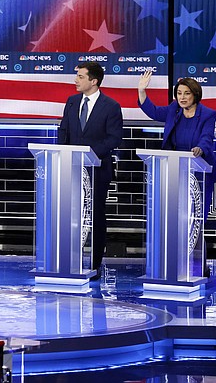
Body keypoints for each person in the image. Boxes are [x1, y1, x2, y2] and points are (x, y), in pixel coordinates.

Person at [58, 62, 124, 279]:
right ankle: (69, 260)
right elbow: (64, 131)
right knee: (70, 215)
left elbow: (114, 138)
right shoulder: (72, 101)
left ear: (93, 81)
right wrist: (62, 155)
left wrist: (89, 154)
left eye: (80, 76)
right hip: (71, 169)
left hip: (98, 170)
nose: (75, 80)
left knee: (95, 216)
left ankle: (95, 264)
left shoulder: (111, 106)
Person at [137, 70, 216, 209]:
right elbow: (153, 112)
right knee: (174, 208)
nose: (182, 97)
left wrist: (200, 149)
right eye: (179, 93)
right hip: (175, 167)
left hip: (200, 166)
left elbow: (207, 137)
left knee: (197, 210)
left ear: (195, 94)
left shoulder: (208, 114)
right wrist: (141, 91)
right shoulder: (174, 109)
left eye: (187, 93)